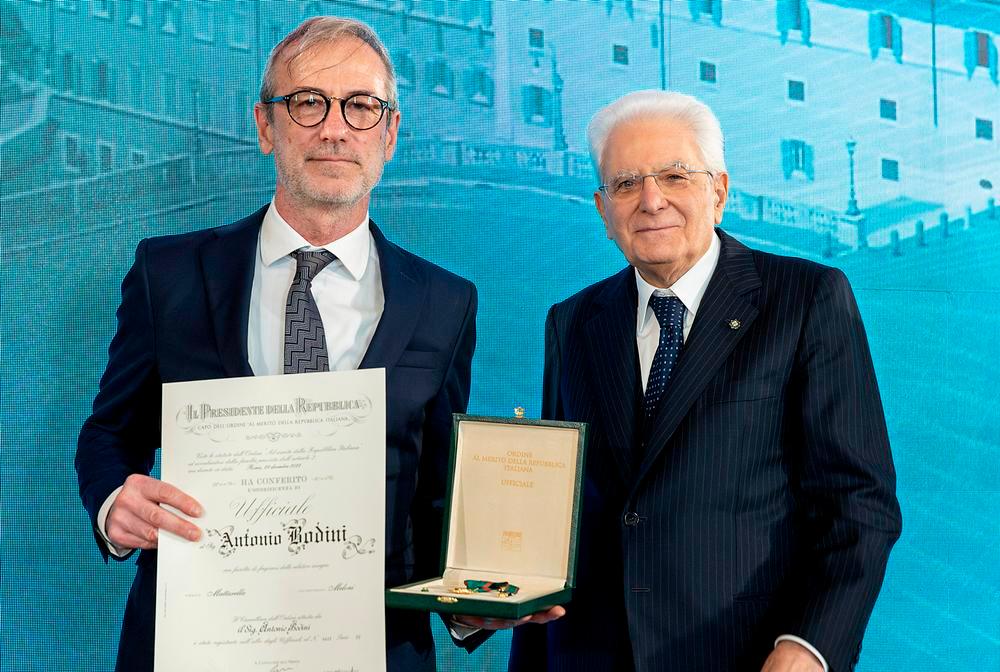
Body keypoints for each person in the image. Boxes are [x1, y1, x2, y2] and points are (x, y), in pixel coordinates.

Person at [76, 17, 483, 672]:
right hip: (193, 642)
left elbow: (435, 495)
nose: (334, 128)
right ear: (266, 127)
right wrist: (112, 503)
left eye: (360, 106)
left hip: (375, 649)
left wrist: (472, 602)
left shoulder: (445, 301)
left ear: (389, 133)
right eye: (307, 103)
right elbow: (108, 433)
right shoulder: (170, 274)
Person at [508, 91, 902, 672]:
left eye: (674, 175)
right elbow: (558, 509)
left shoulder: (807, 299)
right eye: (625, 184)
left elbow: (860, 505)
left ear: (718, 191)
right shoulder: (573, 323)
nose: (650, 200)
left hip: (748, 657)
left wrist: (808, 648)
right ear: (601, 209)